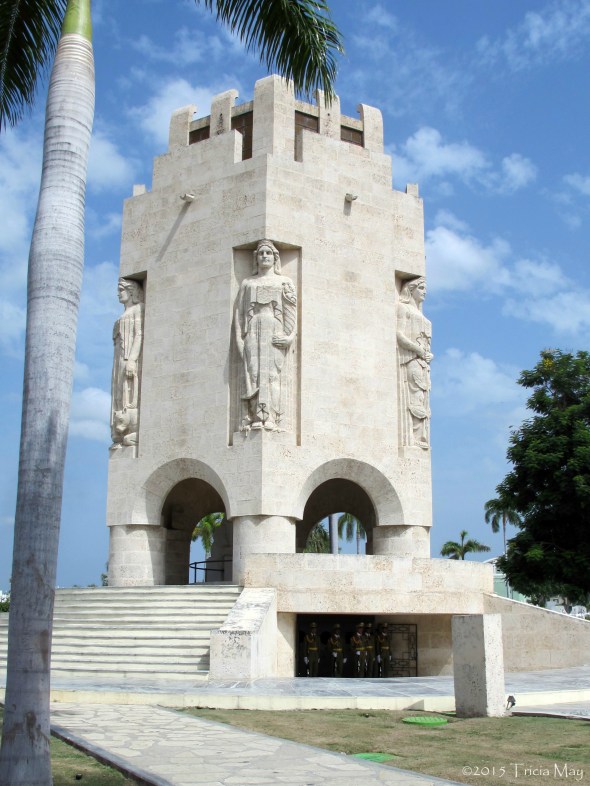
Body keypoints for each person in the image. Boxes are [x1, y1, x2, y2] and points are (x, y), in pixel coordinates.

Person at [234, 240, 297, 431]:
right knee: (253, 374)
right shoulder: (248, 283)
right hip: (253, 330)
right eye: (261, 253)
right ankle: (254, 417)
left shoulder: (284, 282)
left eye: (268, 253)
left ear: (275, 257)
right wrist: (239, 338)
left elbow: (291, 312)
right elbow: (239, 314)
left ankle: (272, 417)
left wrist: (290, 337)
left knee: (272, 375)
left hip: (275, 331)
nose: (264, 256)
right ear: (256, 258)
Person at [396, 276, 433, 449]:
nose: (425, 292)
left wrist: (428, 355)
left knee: (422, 397)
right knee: (415, 397)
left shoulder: (423, 317)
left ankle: (421, 437)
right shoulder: (403, 309)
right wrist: (417, 350)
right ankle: (415, 439)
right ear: (411, 289)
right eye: (421, 288)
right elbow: (400, 335)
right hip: (411, 359)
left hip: (423, 363)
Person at [111, 278, 144, 448]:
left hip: (128, 358)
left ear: (131, 291)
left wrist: (132, 359)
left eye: (121, 289)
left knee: (127, 393)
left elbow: (139, 334)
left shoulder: (138, 309)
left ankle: (129, 434)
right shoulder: (123, 314)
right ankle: (119, 435)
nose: (118, 293)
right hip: (118, 360)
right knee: (118, 395)